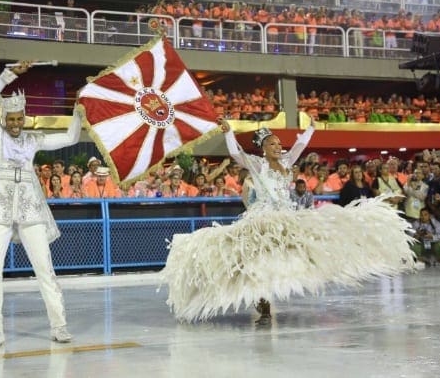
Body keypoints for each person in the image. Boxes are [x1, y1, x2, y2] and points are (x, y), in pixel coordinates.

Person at [161, 119, 414, 324]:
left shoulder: (285, 162)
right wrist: (228, 132)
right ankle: (262, 301)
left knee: (293, 255)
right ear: (263, 148)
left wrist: (311, 129)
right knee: (258, 260)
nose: (278, 147)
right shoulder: (258, 165)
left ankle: (279, 289)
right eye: (272, 144)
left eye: (279, 143)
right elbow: (235, 152)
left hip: (287, 216)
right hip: (264, 219)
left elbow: (298, 149)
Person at [0, 61, 82, 350]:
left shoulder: (33, 140)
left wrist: (78, 108)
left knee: (45, 270)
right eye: (10, 119)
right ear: (3, 118)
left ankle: (59, 325)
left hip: (29, 209)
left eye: (18, 119)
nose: (14, 124)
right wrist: (10, 75)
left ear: (24, 118)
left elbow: (71, 137)